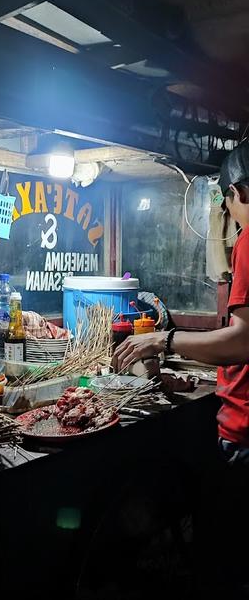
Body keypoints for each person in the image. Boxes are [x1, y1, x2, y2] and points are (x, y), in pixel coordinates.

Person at [112, 140, 249, 466]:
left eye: (225, 202)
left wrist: (163, 339)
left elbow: (244, 342)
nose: (228, 213)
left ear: (238, 193)